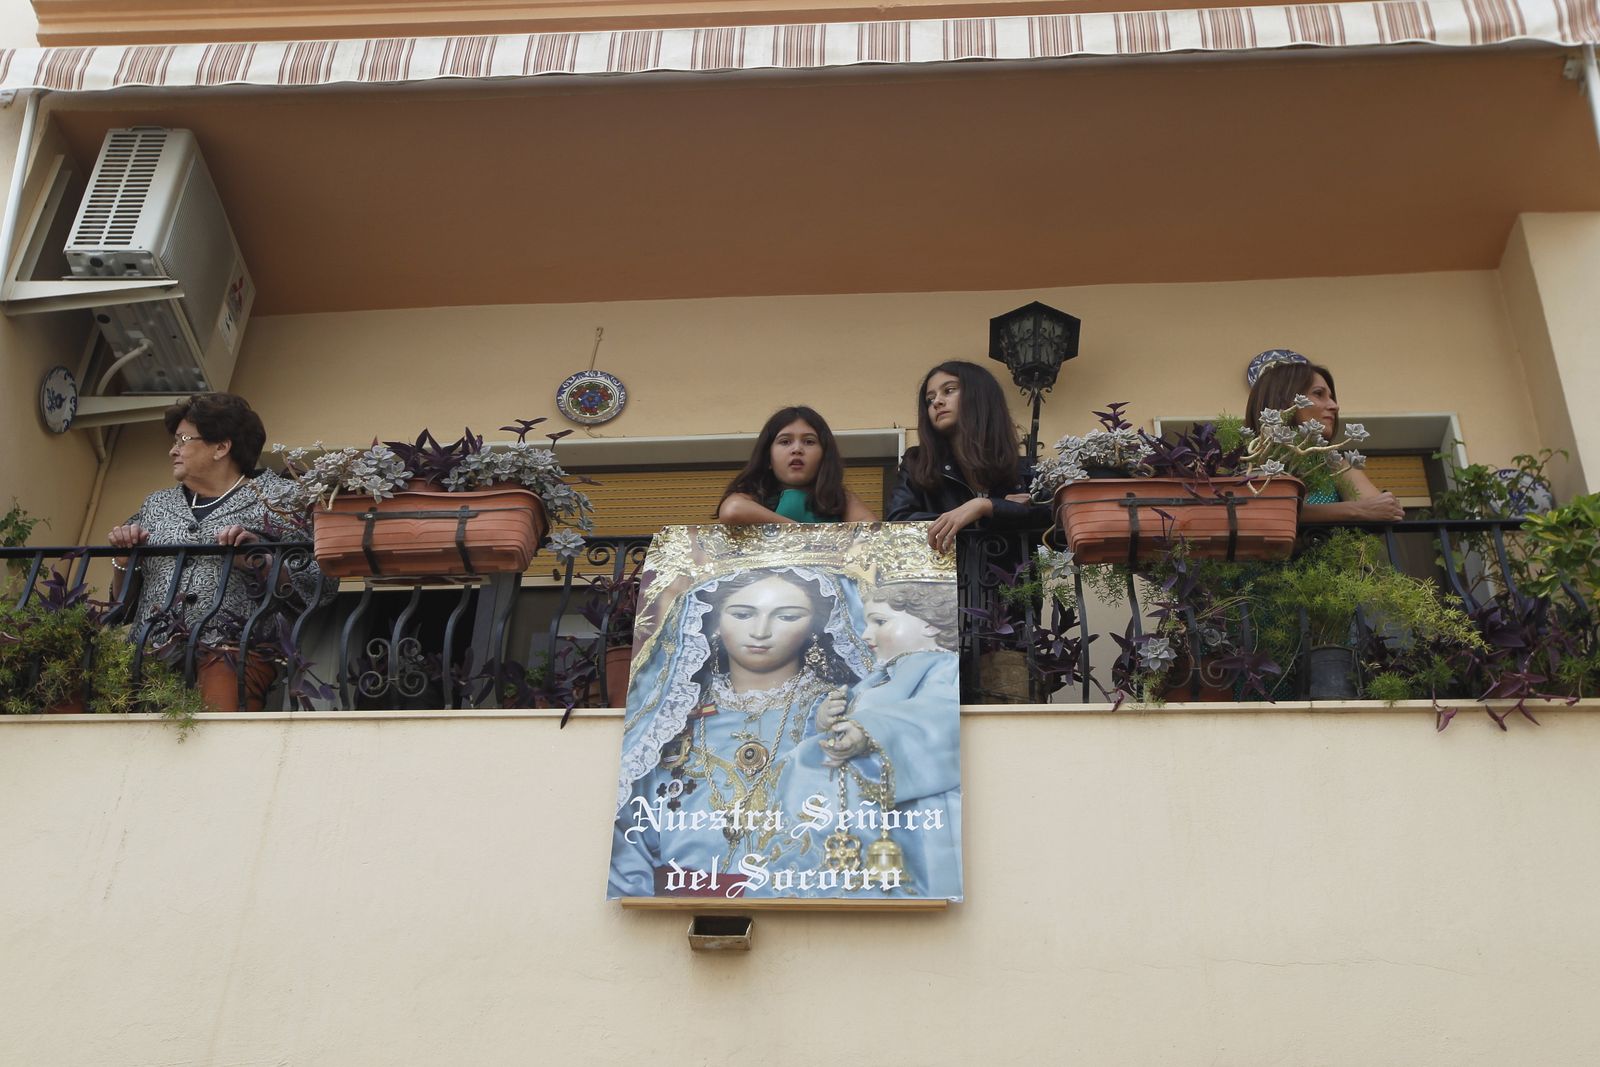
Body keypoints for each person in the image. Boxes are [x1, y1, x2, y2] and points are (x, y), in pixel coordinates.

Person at [608, 565, 873, 898]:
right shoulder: (669, 716)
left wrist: (820, 740)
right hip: (677, 907)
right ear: (716, 619)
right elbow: (630, 827)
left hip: (804, 900)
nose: (760, 631)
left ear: (815, 627)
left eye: (788, 616)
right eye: (743, 614)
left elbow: (866, 808)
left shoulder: (839, 707)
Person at [106, 392, 324, 711]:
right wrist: (122, 561)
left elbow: (320, 583)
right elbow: (121, 610)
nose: (173, 450)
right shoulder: (156, 506)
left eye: (183, 439)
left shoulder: (281, 499)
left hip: (231, 660)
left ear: (221, 447)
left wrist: (259, 562)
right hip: (147, 662)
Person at [777, 578, 964, 899]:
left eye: (880, 621)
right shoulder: (878, 679)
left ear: (931, 625)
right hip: (847, 806)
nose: (866, 635)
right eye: (866, 623)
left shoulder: (944, 667)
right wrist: (828, 719)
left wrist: (869, 729)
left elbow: (938, 713)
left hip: (903, 804)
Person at [887, 361, 1050, 551]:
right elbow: (897, 524)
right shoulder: (917, 463)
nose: (937, 402)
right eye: (930, 399)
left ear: (980, 396)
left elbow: (1058, 523)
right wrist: (984, 513)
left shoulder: (1023, 470)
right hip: (944, 577)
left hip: (1013, 579)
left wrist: (985, 506)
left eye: (949, 390)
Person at [1244, 352, 1405, 523]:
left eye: (1331, 397)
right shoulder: (1243, 462)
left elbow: (1385, 512)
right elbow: (1266, 513)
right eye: (1319, 394)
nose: (1334, 406)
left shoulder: (1334, 465)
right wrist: (1354, 510)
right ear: (1285, 401)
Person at [717, 406, 877, 524]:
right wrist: (799, 533)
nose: (797, 449)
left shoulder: (839, 499)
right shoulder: (756, 494)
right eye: (785, 442)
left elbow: (872, 531)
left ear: (824, 457)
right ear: (767, 458)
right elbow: (733, 511)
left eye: (809, 442)